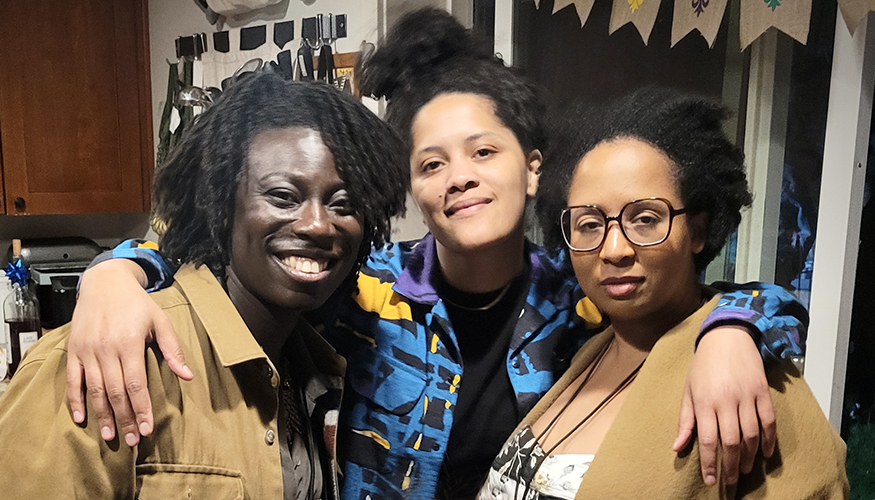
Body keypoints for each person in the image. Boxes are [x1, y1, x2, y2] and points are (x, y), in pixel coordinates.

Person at [65, 9, 807, 500]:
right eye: (430, 164)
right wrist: (118, 271)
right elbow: (225, 268)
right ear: (410, 190)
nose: (459, 176)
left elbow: (710, 299)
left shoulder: (581, 298)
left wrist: (732, 331)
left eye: (484, 151)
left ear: (534, 166)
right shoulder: (363, 295)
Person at [0, 72, 408, 499]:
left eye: (342, 204)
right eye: (283, 196)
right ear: (220, 205)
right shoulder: (107, 359)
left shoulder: (316, 366)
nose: (318, 225)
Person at [480, 89, 847, 500]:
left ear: (699, 230)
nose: (614, 249)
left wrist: (734, 330)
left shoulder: (747, 384)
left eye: (645, 219)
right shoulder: (585, 345)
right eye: (588, 224)